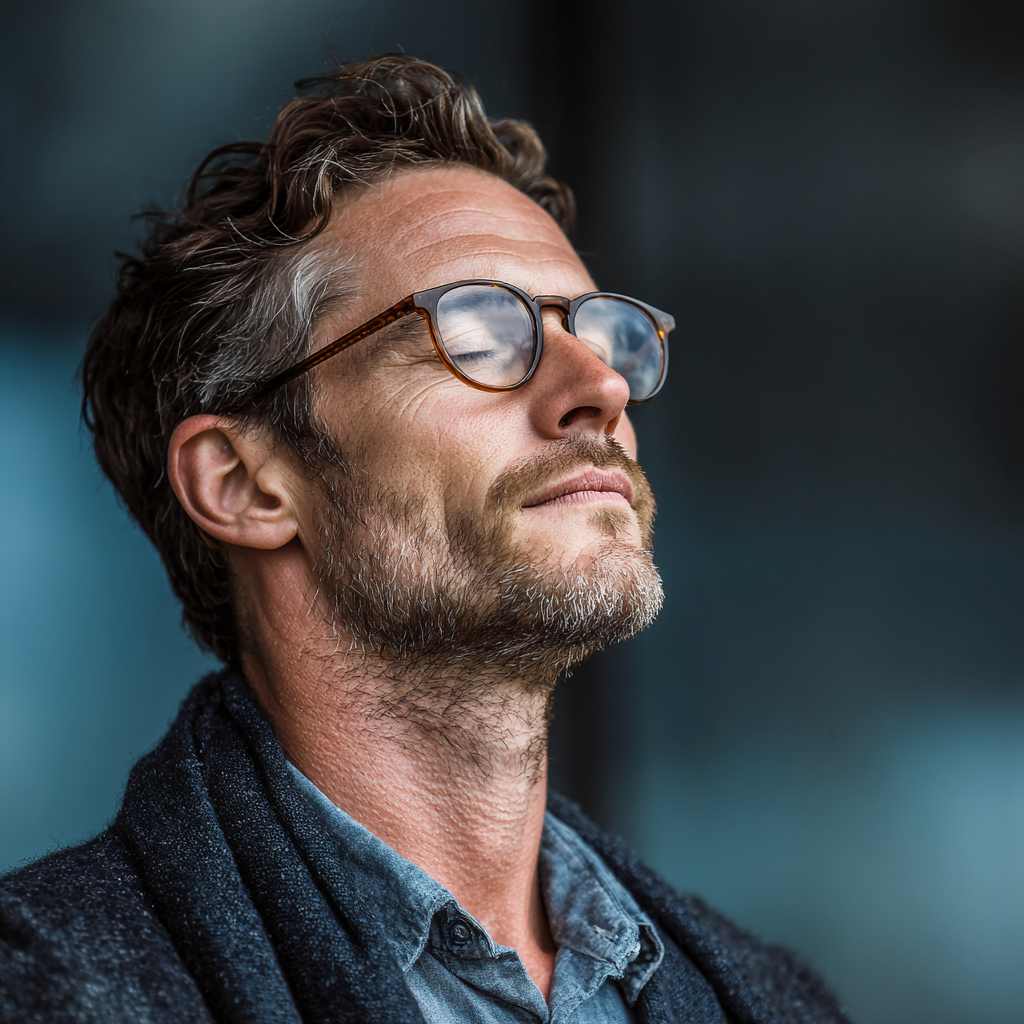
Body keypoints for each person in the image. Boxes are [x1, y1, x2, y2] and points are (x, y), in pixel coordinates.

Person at [0, 55, 849, 1023]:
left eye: (606, 336)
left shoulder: (777, 1001)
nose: (601, 388)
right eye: (482, 332)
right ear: (244, 485)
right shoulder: (49, 988)